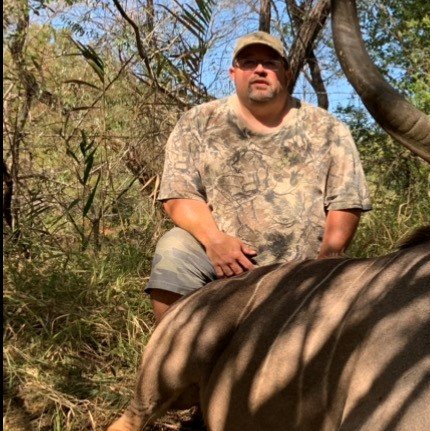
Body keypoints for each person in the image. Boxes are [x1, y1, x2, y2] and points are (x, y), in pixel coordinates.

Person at [146, 30, 371, 323]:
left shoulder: (329, 129)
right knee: (173, 250)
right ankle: (173, 360)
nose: (260, 69)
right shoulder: (199, 121)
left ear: (287, 73)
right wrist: (215, 241)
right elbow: (179, 195)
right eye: (249, 62)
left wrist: (324, 264)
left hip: (302, 269)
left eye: (270, 63)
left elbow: (346, 202)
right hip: (221, 259)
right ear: (233, 73)